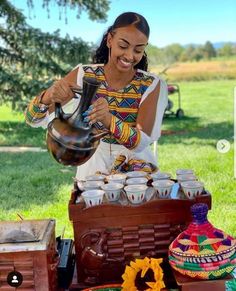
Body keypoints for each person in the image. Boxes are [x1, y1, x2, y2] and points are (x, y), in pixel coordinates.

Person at [25, 12, 168, 181]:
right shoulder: (84, 74)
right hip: (92, 166)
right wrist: (48, 96)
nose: (130, 56)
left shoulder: (150, 84)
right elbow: (31, 119)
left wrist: (109, 120)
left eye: (138, 50)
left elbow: (140, 143)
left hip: (136, 168)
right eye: (123, 46)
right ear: (109, 40)